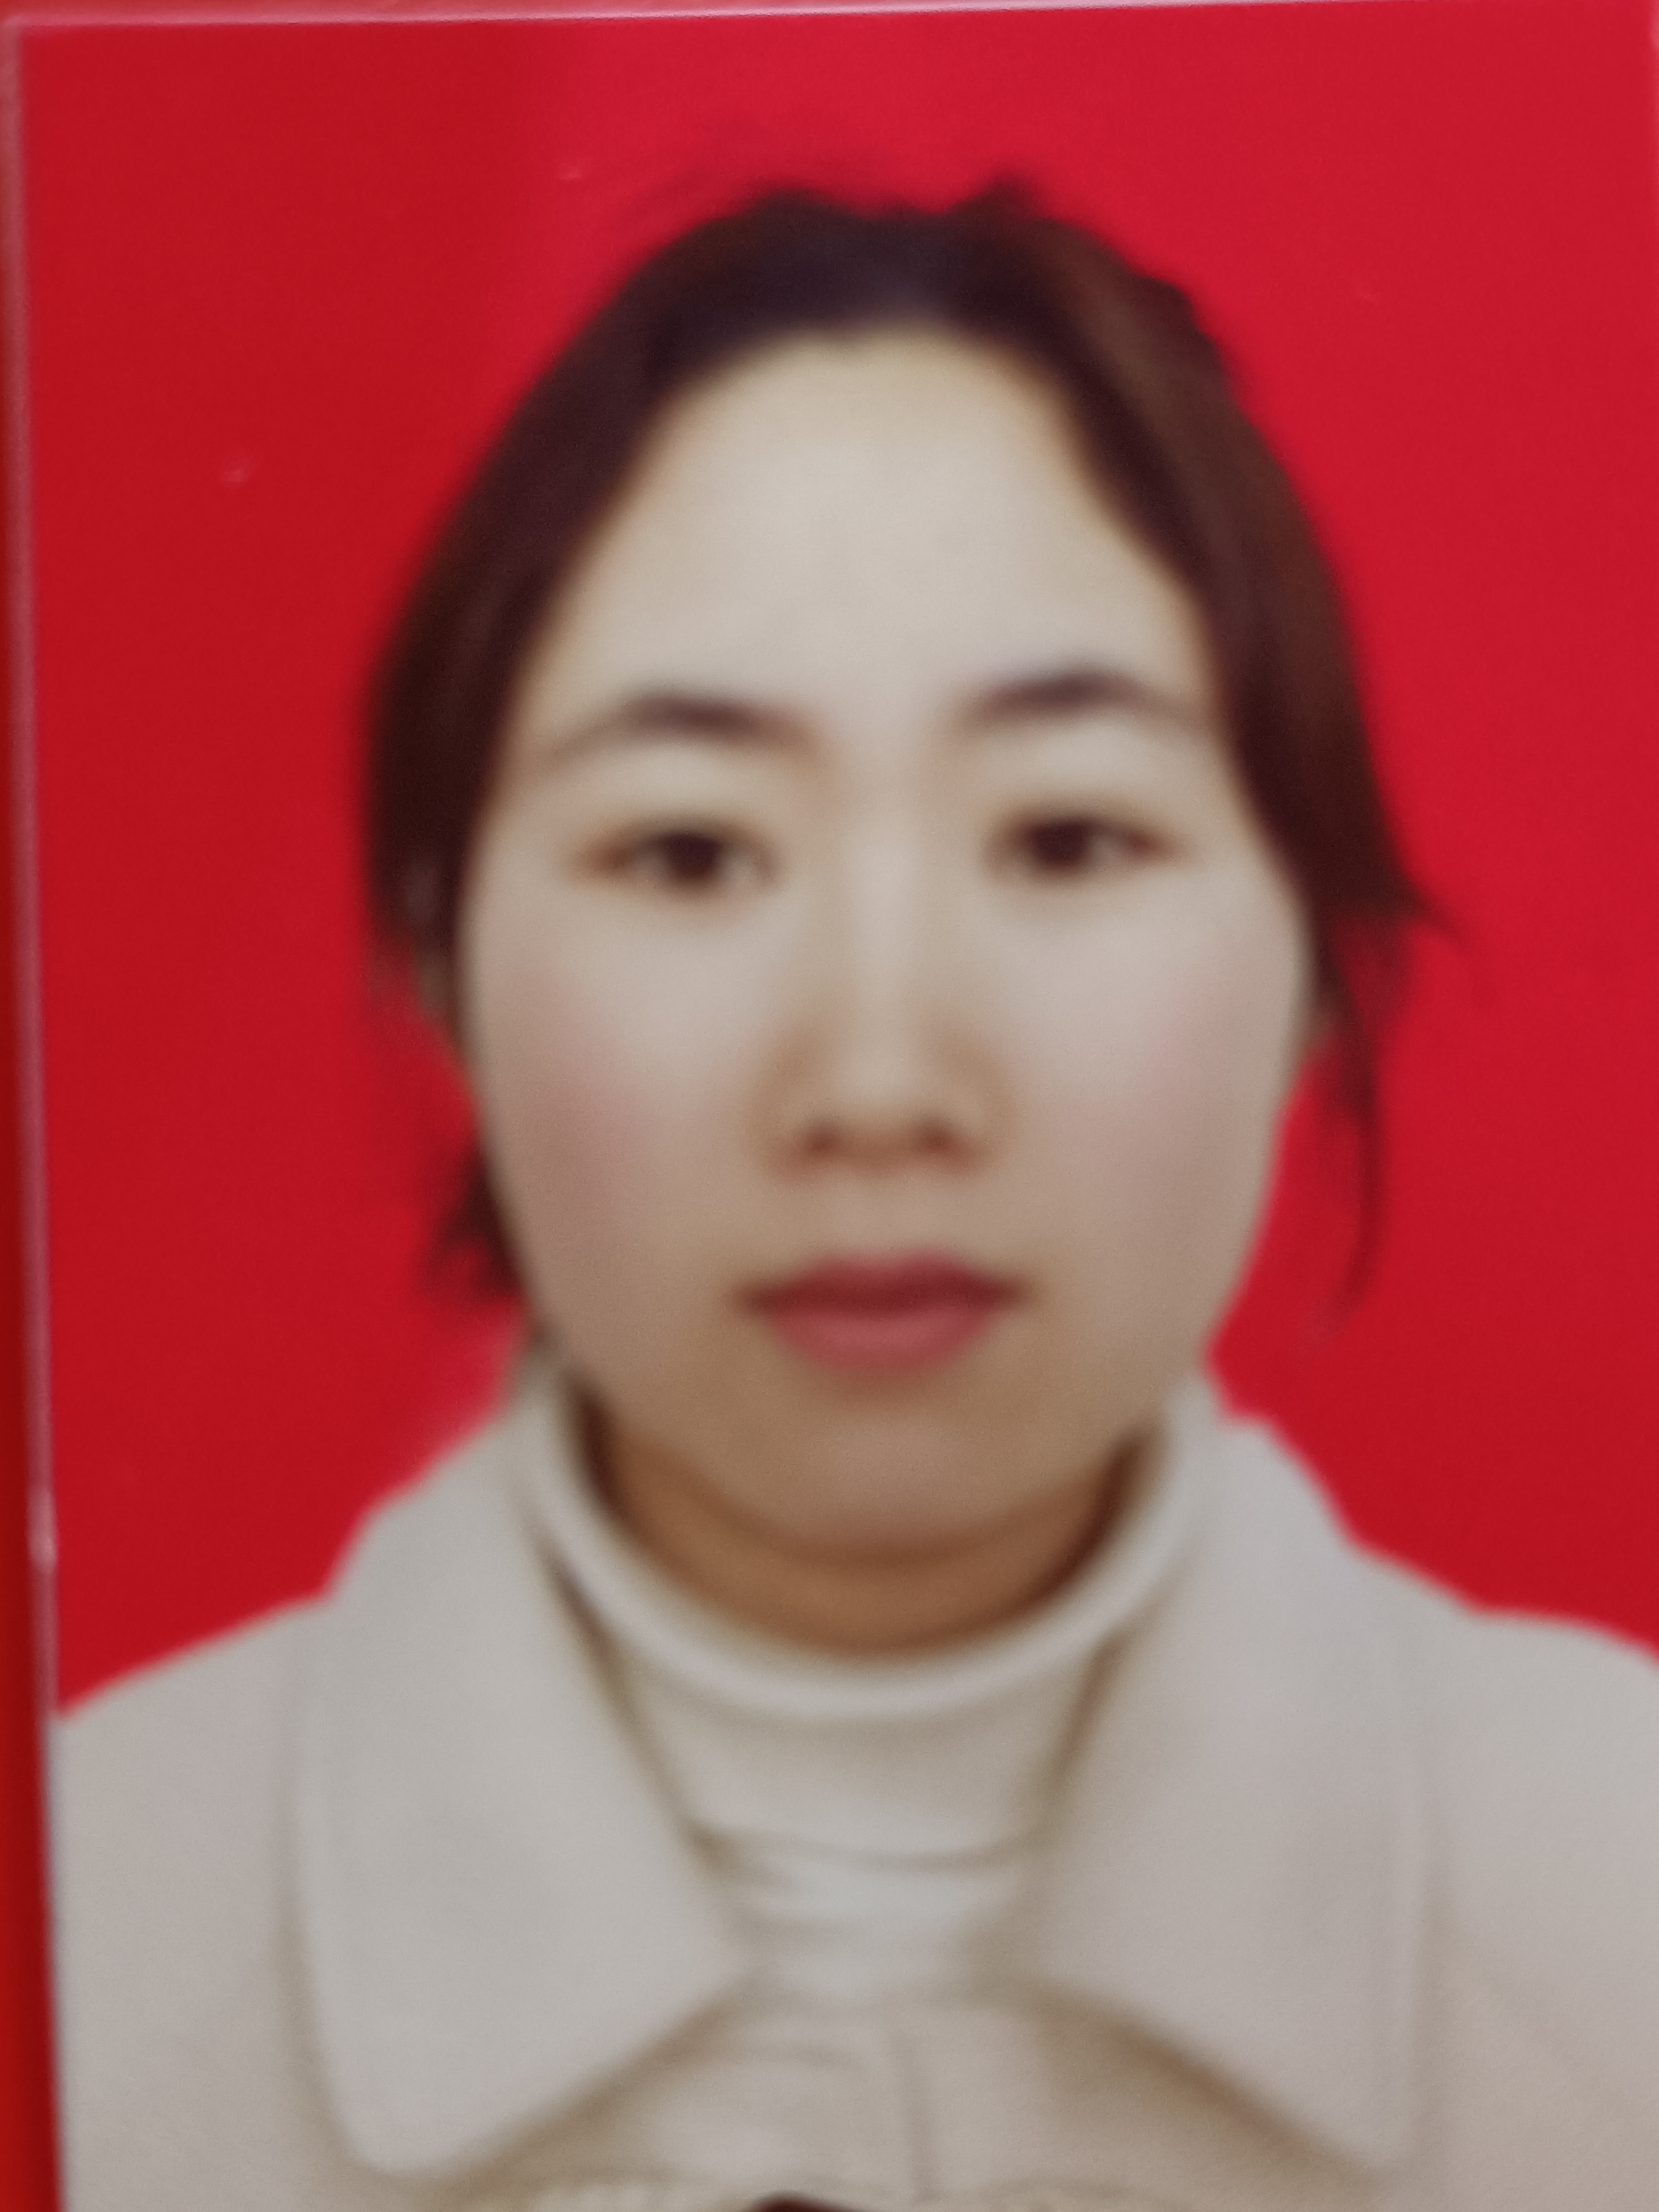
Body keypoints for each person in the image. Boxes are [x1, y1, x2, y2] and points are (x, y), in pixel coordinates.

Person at [54, 190, 1659, 2212]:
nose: (881, 1085)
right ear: (438, 966)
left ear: (1320, 970)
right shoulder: (86, 1939)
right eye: (690, 851)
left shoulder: (1621, 1913)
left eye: (1068, 838)